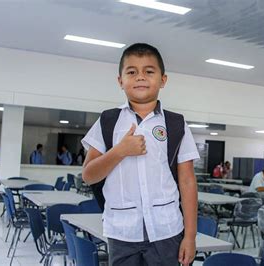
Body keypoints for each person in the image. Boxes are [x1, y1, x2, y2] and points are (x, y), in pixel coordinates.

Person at [81, 43, 199, 266]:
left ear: (163, 80)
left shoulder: (176, 124)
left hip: (167, 230)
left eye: (149, 71)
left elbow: (187, 181)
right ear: (120, 81)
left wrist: (190, 236)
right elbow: (88, 176)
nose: (141, 77)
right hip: (122, 232)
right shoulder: (108, 121)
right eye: (132, 72)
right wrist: (120, 151)